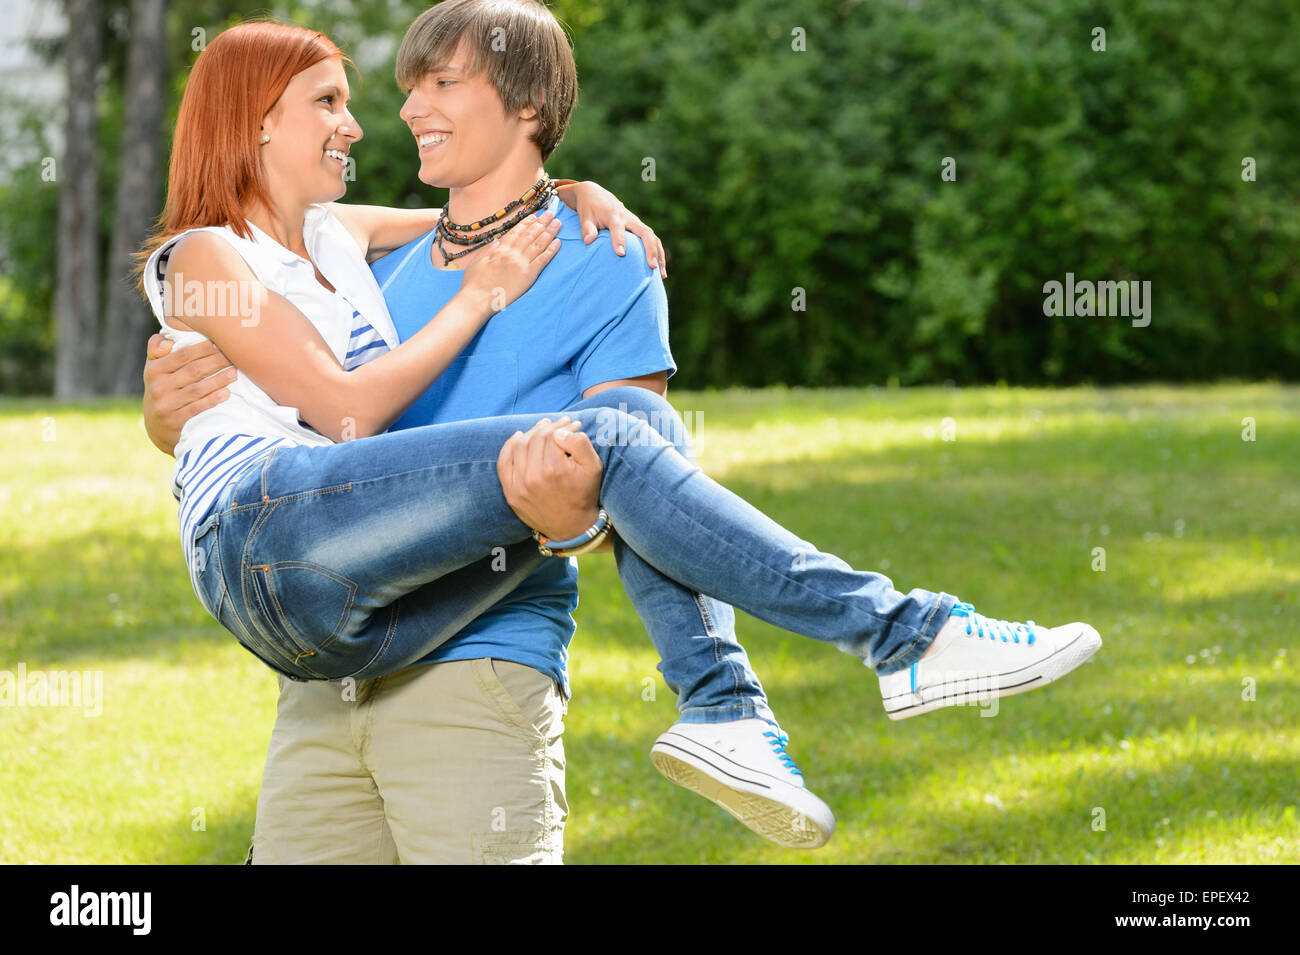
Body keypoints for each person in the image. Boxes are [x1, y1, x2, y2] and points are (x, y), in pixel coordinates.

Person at [141, 3, 1101, 864]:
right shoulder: (250, 257)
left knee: (632, 425)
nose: (379, 118)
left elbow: (461, 226)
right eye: (336, 101)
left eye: (437, 83)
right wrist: (477, 296)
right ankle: (878, 645)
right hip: (287, 573)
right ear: (256, 119)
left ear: (524, 105)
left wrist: (576, 191)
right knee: (625, 431)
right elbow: (337, 408)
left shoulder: (364, 243)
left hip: (419, 634)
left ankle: (740, 706)